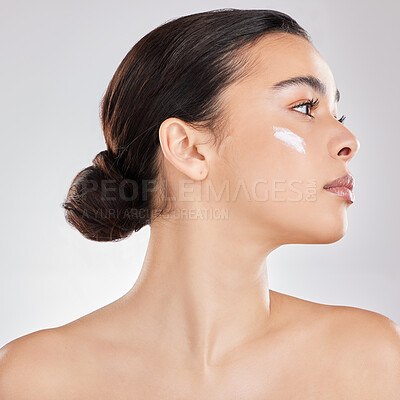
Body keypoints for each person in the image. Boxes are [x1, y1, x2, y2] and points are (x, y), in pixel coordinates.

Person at [1, 8, 399, 399]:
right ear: (188, 147)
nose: (350, 140)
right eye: (304, 107)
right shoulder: (32, 380)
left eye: (337, 111)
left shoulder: (371, 360)